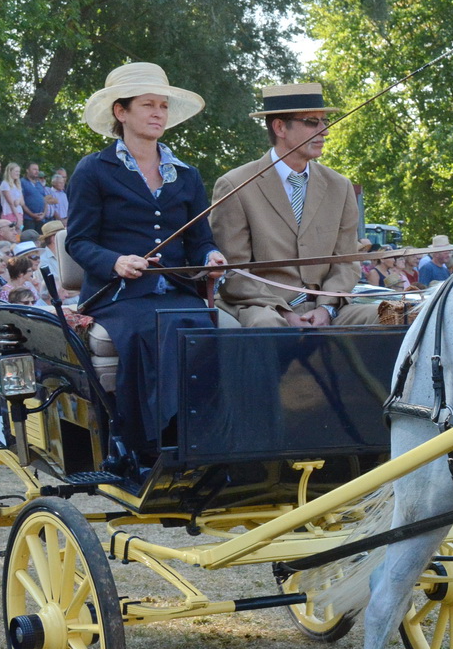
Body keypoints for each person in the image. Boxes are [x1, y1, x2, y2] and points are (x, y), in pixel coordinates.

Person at [65, 61, 226, 464]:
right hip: (117, 296)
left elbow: (200, 240)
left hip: (175, 290)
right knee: (147, 329)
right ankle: (141, 444)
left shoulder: (187, 176)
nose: (158, 114)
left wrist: (211, 258)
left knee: (201, 325)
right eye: (148, 105)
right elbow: (79, 242)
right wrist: (116, 261)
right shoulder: (93, 170)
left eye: (163, 106)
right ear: (121, 112)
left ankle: (203, 438)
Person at [211, 82, 373, 327]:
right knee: (269, 326)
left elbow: (346, 263)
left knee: (393, 316)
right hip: (263, 306)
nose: (325, 131)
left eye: (324, 121)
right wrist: (285, 313)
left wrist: (327, 308)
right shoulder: (235, 185)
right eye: (312, 121)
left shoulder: (340, 186)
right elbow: (234, 272)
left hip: (327, 307)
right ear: (279, 127)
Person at [0, 163, 25, 227]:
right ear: (10, 171)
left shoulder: (17, 185)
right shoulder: (5, 184)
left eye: (19, 171)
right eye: (16, 171)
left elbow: (22, 202)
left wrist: (18, 200)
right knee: (12, 232)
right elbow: (11, 203)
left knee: (20, 231)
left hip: (19, 213)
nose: (18, 173)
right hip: (9, 213)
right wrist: (18, 217)